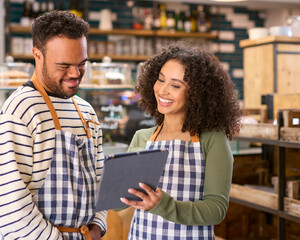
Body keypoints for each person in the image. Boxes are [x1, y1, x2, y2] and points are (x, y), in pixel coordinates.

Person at [0, 11, 106, 240]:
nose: (75, 74)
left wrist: (96, 227)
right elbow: (10, 203)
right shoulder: (20, 109)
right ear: (37, 55)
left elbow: (100, 180)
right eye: (64, 65)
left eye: (82, 64)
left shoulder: (86, 111)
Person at [120, 41, 241, 239]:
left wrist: (164, 205)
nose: (162, 90)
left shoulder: (212, 139)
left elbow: (216, 210)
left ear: (195, 95)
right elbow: (122, 201)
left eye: (175, 85)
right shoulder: (142, 137)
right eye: (160, 80)